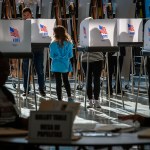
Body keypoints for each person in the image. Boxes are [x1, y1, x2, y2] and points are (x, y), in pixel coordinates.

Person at [22, 7, 46, 96]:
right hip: (26, 50)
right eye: (24, 15)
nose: (26, 16)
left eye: (27, 15)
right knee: (26, 71)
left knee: (40, 70)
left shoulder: (38, 23)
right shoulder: (22, 25)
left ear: (31, 14)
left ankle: (41, 89)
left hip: (38, 49)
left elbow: (43, 34)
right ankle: (26, 89)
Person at [49, 25, 74, 102]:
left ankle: (59, 99)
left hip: (56, 65)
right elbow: (71, 55)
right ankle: (69, 97)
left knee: (58, 82)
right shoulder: (69, 44)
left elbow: (51, 55)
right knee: (66, 80)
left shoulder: (52, 44)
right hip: (65, 65)